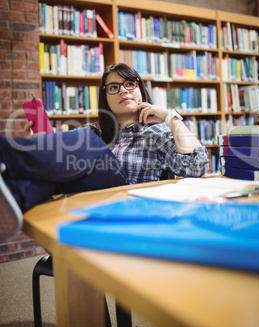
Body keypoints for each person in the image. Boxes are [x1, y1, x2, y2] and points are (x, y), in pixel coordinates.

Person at [0, 63, 209, 242]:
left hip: (129, 206)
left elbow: (197, 166)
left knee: (87, 140)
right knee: (53, 172)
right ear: (105, 98)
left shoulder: (157, 131)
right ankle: (14, 197)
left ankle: (6, 154)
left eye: (129, 84)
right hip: (88, 204)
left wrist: (170, 117)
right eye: (114, 87)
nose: (123, 91)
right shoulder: (96, 130)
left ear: (140, 90)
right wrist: (42, 147)